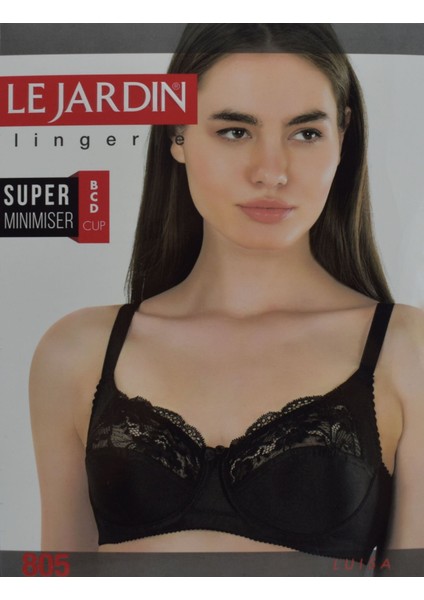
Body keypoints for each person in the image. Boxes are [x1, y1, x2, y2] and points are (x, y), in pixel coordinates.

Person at [30, 24, 423, 563]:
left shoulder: (405, 352)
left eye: (306, 133)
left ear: (342, 137)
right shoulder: (78, 351)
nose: (271, 172)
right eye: (235, 131)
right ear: (177, 135)